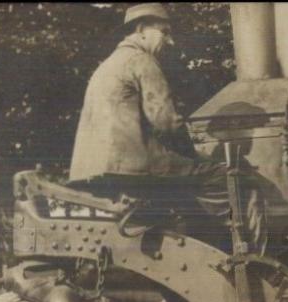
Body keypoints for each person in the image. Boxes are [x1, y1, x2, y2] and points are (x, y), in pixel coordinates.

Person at [69, 3, 217, 185]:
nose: (171, 41)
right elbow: (166, 123)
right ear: (141, 30)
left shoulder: (106, 66)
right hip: (134, 167)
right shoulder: (142, 61)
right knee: (235, 179)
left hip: (90, 170)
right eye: (165, 32)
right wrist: (194, 155)